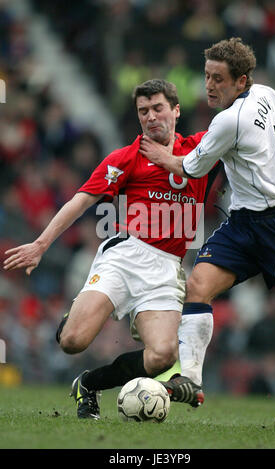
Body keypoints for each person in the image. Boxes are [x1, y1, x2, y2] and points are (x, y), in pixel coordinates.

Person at [3, 79, 219, 419]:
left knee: (162, 355)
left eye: (158, 108)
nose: (151, 117)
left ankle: (88, 384)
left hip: (165, 269)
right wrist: (41, 244)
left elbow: (243, 131)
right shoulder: (126, 158)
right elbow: (81, 201)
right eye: (143, 111)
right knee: (72, 342)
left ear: (176, 110)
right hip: (124, 256)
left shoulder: (201, 148)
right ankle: (75, 313)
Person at [140, 38, 275, 387]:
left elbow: (192, 169)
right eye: (207, 76)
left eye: (219, 79)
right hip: (241, 223)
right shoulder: (268, 96)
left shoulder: (229, 121)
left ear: (242, 81)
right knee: (197, 286)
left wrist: (160, 156)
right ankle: (191, 382)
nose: (209, 86)